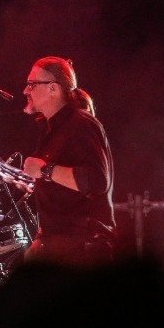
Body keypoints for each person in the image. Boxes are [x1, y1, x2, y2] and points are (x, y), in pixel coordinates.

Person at [15, 56, 116, 267]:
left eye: (32, 84)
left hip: (84, 250)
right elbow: (61, 198)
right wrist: (41, 240)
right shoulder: (52, 130)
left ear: (53, 89)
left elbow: (97, 181)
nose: (26, 91)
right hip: (61, 248)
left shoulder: (81, 124)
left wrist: (44, 170)